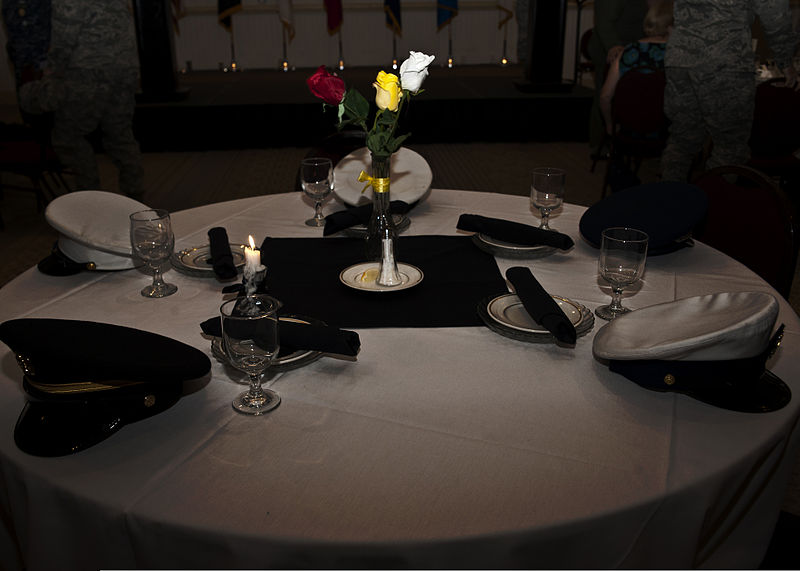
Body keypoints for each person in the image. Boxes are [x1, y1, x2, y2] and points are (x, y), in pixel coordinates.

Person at [661, 0, 799, 182]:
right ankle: (712, 206)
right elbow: (774, 12)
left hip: (679, 56)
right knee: (730, 149)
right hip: (725, 57)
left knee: (682, 140)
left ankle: (670, 203)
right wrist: (785, 60)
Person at [40, 0, 144, 199]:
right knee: (120, 134)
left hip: (88, 74)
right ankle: (135, 193)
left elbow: (64, 38)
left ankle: (89, 198)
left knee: (69, 137)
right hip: (124, 69)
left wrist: (52, 73)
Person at [598, 0, 673, 137]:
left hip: (627, 129)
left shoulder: (628, 53)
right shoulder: (679, 55)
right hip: (667, 132)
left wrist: (610, 126)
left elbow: (605, 96)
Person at [587, 0, 649, 159]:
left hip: (633, 49)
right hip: (613, 51)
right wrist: (613, 46)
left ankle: (626, 141)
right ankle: (599, 144)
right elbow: (604, 22)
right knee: (605, 94)